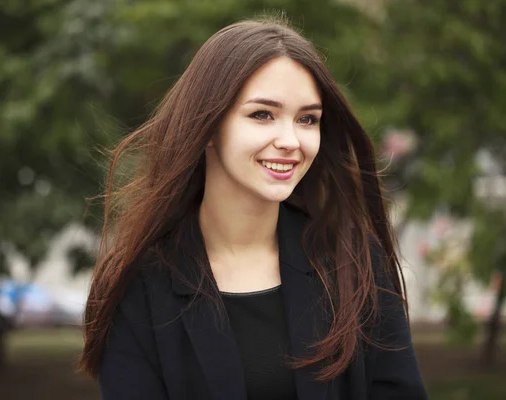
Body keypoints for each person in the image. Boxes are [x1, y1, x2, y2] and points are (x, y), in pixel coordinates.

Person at [80, 18, 428, 400]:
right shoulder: (138, 284)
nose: (290, 140)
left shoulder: (354, 261)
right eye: (262, 114)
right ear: (209, 126)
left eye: (307, 119)